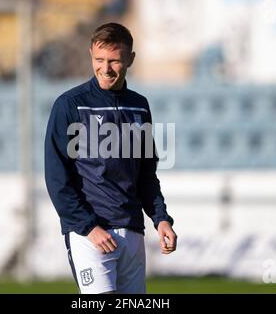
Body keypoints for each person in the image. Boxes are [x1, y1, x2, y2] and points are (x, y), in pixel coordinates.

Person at [44, 22, 177, 294]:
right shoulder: (70, 105)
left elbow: (146, 174)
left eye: (114, 61)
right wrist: (87, 227)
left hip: (133, 234)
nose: (105, 68)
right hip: (91, 235)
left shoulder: (139, 106)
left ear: (130, 59)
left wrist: (161, 219)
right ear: (91, 55)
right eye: (99, 59)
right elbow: (57, 177)